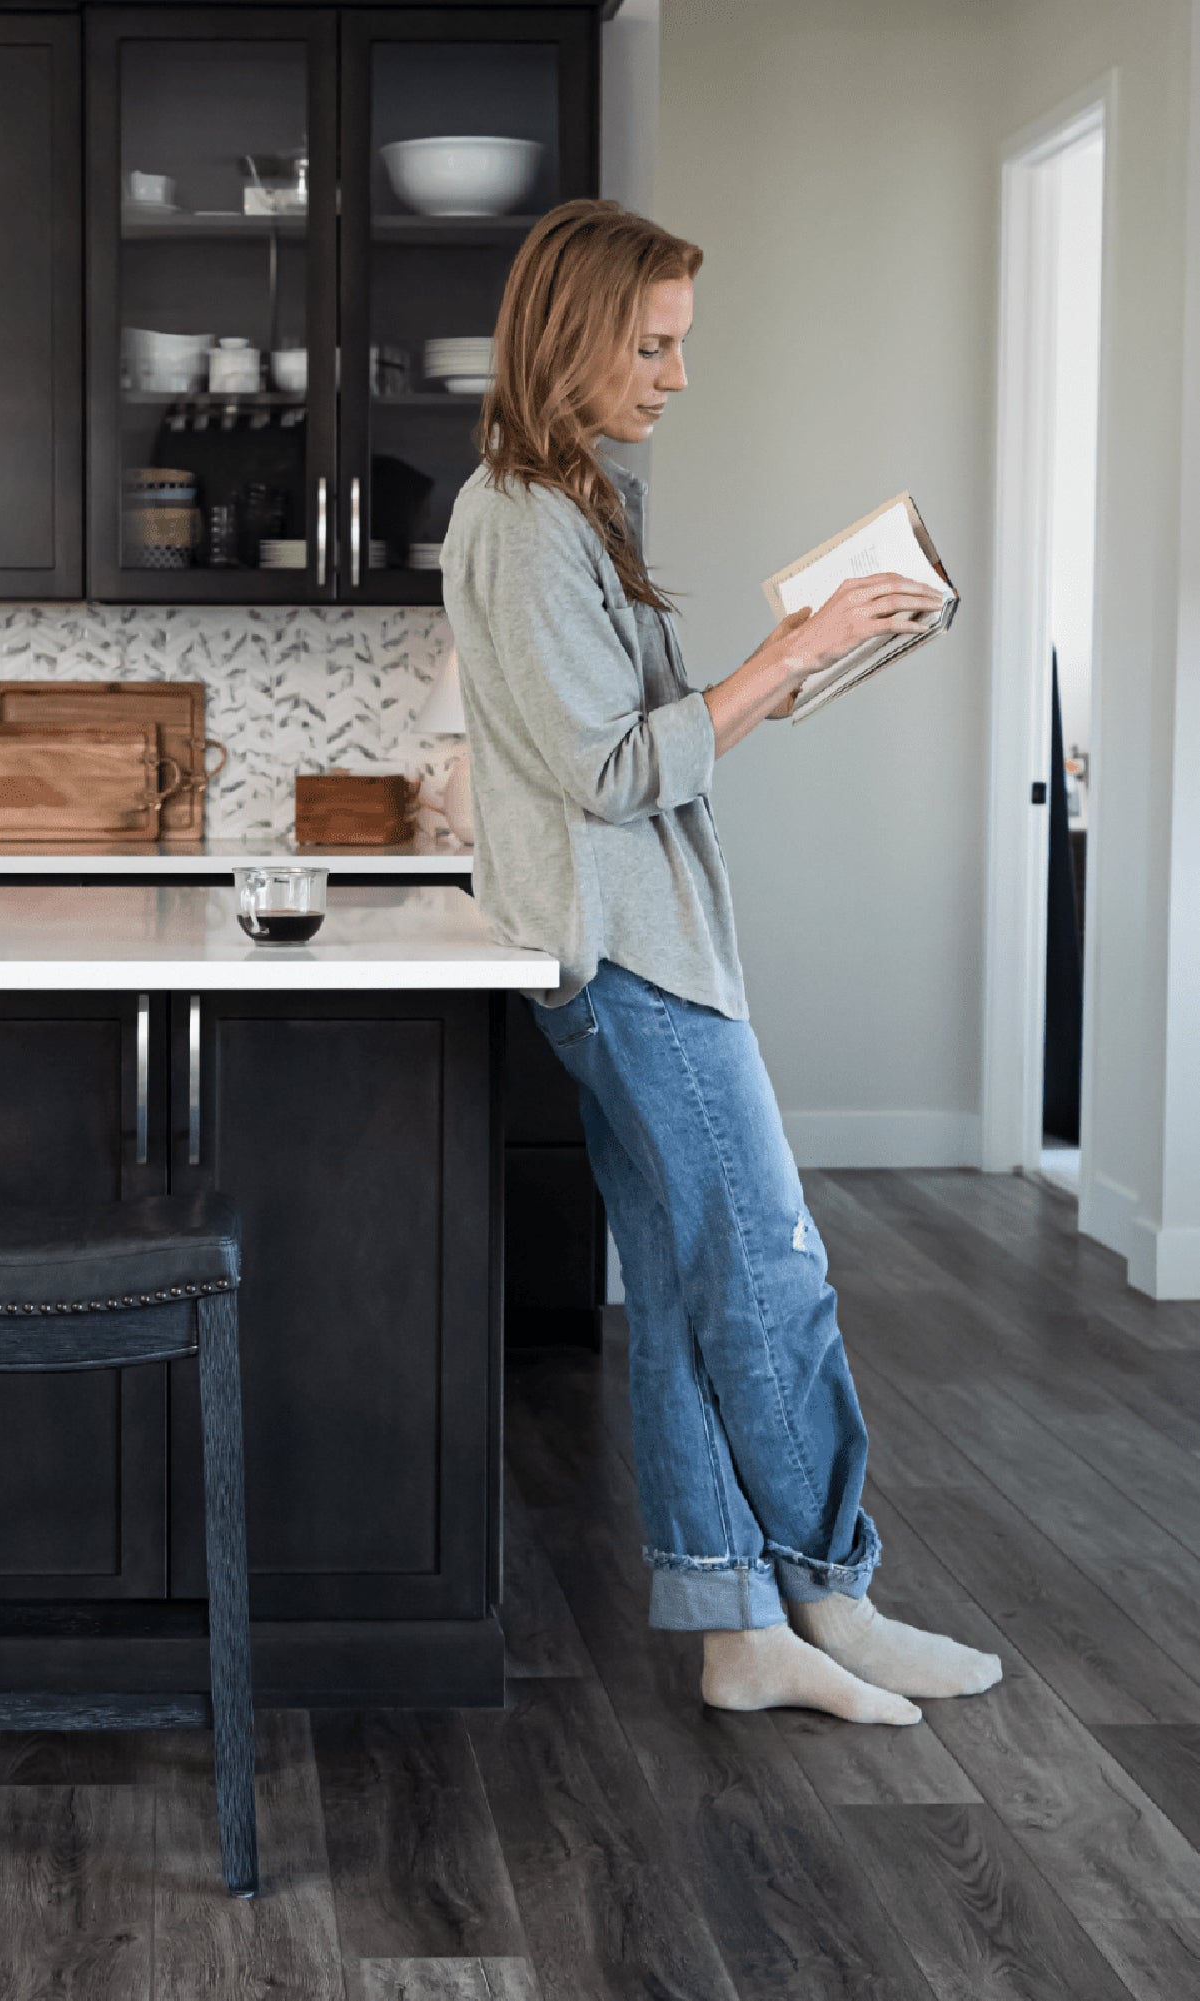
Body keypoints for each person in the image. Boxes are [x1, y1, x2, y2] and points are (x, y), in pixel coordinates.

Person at [441, 198, 1000, 1724]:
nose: (676, 375)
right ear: (577, 336)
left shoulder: (574, 505)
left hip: (644, 948)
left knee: (693, 1291)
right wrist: (788, 653)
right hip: (634, 962)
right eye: (653, 343)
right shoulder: (518, 521)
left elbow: (653, 743)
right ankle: (835, 1587)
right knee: (774, 1273)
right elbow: (608, 771)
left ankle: (734, 1622)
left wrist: (814, 655)